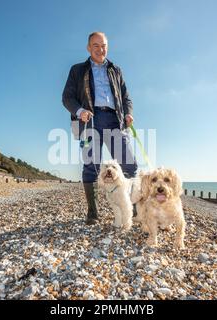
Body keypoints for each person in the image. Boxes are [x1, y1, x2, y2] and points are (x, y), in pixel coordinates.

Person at [62, 31, 138, 225]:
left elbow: (126, 97)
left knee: (129, 164)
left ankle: (133, 209)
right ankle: (93, 214)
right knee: (91, 167)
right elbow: (67, 97)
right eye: (95, 45)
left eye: (103, 45)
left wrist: (128, 112)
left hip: (115, 120)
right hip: (90, 120)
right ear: (88, 48)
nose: (100, 49)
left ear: (107, 47)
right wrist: (80, 111)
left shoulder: (116, 70)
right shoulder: (77, 70)